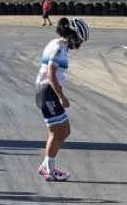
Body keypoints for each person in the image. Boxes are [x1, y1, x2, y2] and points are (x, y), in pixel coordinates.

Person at [35, 17, 89, 181]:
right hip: (48, 91)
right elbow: (51, 74)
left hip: (50, 91)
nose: (79, 43)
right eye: (78, 39)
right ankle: (50, 170)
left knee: (65, 131)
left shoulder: (62, 46)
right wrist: (61, 96)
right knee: (57, 132)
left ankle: (46, 165)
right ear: (71, 34)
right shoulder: (58, 47)